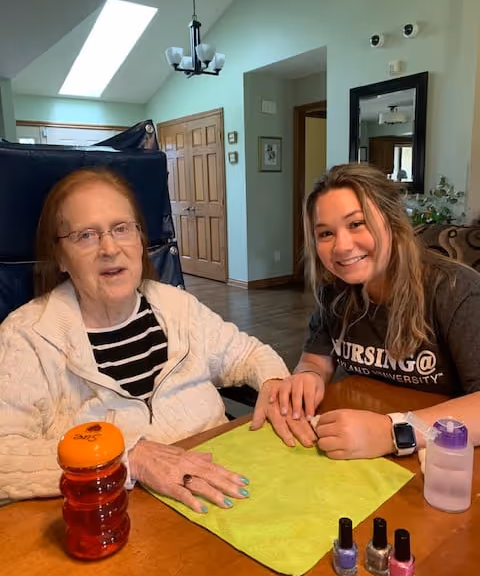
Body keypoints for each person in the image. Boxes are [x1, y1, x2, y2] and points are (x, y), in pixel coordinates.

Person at [0, 168, 290, 510]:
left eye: (121, 228)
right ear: (60, 256)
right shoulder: (26, 337)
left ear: (140, 240)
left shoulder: (176, 305)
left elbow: (248, 354)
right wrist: (128, 457)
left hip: (225, 489)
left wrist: (273, 380)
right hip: (118, 518)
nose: (110, 248)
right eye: (86, 236)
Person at [252, 163, 480, 459]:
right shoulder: (336, 290)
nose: (342, 247)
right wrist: (307, 375)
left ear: (392, 221)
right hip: (361, 449)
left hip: (442, 457)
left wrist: (392, 432)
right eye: (325, 233)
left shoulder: (456, 290)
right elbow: (316, 360)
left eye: (356, 224)